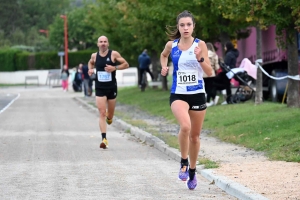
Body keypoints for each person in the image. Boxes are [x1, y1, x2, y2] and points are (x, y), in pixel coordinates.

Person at [160, 10, 213, 190]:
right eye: (182, 25)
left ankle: (192, 170)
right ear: (178, 27)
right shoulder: (172, 45)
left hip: (197, 93)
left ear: (193, 26)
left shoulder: (200, 45)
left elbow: (209, 72)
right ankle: (183, 161)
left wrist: (200, 58)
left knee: (195, 137)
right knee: (185, 126)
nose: (185, 28)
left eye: (188, 25)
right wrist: (164, 67)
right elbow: (163, 55)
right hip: (179, 94)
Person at [88, 35, 129, 149]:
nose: (103, 43)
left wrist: (114, 68)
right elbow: (90, 63)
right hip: (100, 87)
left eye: (105, 41)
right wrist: (90, 69)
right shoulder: (94, 56)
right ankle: (104, 139)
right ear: (98, 44)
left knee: (109, 115)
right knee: (101, 112)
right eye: (101, 42)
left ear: (108, 43)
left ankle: (109, 118)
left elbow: (126, 64)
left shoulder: (113, 54)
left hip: (111, 88)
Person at [203, 42, 220, 106]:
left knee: (206, 88)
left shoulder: (203, 54)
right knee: (210, 87)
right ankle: (214, 97)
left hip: (204, 73)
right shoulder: (214, 55)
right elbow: (217, 66)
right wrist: (215, 70)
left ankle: (208, 101)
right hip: (211, 72)